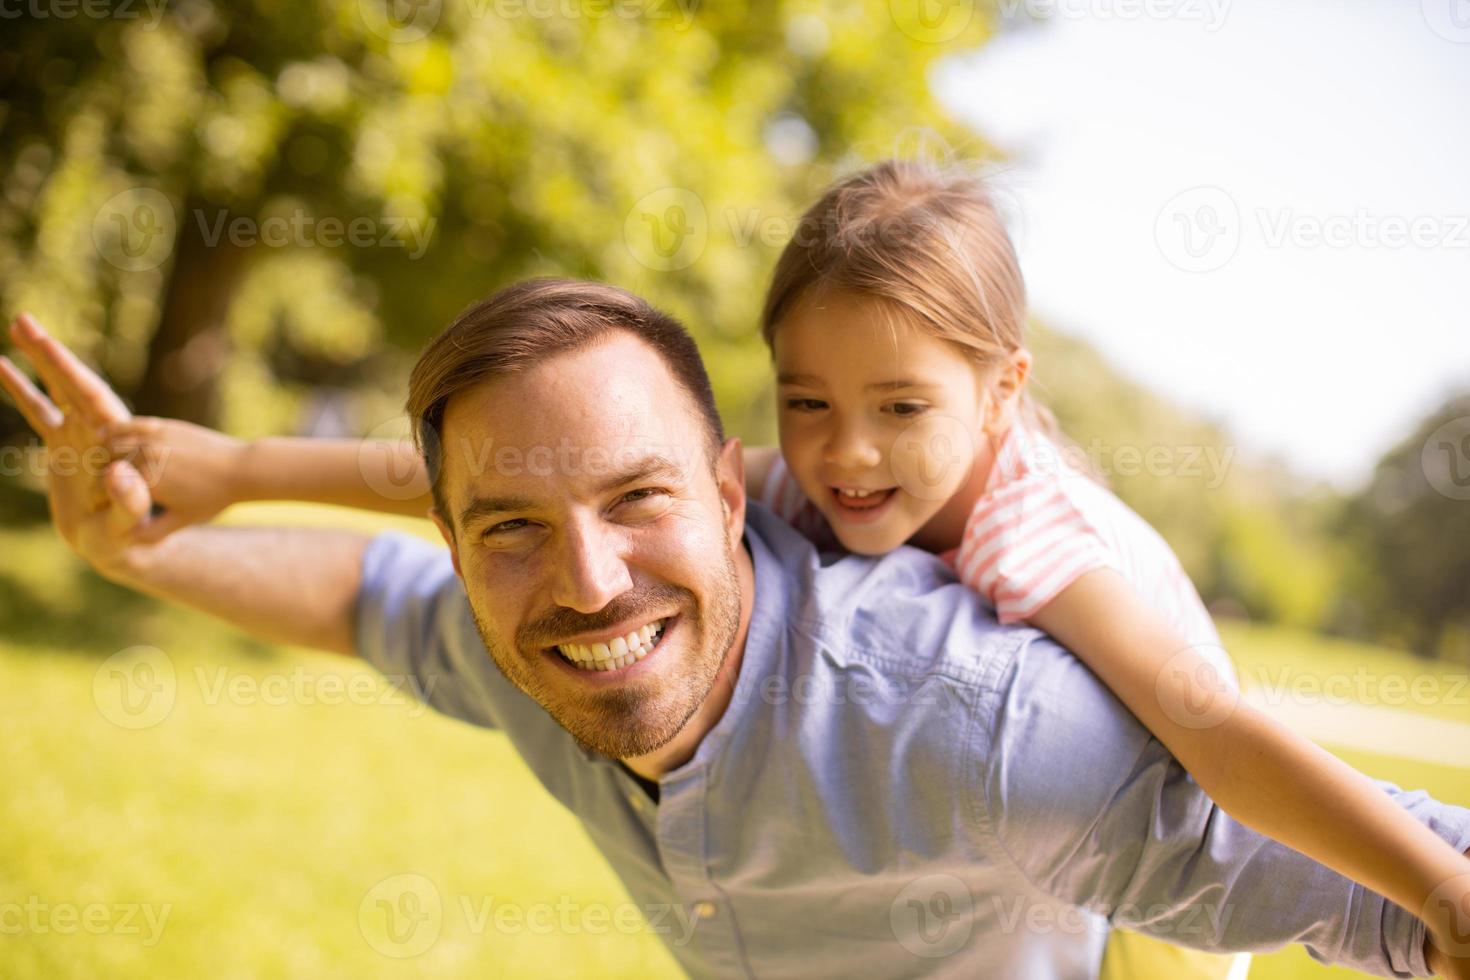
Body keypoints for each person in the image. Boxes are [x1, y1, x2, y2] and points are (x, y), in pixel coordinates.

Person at [63, 161, 1470, 978]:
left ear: (1000, 394)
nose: (592, 580)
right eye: (810, 402)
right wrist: (187, 510)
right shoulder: (679, 540)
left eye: (903, 409)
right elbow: (397, 556)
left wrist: (1440, 895)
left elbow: (1227, 757)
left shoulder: (1004, 665)